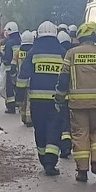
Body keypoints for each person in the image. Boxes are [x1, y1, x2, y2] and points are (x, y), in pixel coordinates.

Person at [55, 22, 96, 183]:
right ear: (95, 36)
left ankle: (82, 171)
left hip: (77, 105)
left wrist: (59, 98)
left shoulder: (71, 54)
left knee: (80, 135)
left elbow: (63, 79)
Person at [19, 22, 66, 176]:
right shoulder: (62, 52)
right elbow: (67, 77)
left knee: (40, 130)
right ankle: (50, 163)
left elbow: (23, 75)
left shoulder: (33, 52)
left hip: (37, 101)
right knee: (54, 129)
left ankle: (43, 157)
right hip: (56, 101)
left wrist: (19, 98)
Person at [55, 29, 75, 157]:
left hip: (61, 93)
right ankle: (68, 146)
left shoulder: (58, 53)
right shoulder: (72, 53)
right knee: (69, 121)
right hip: (72, 94)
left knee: (60, 122)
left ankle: (63, 147)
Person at [1, 22, 22, 114]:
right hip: (19, 68)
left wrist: (2, 57)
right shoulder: (20, 41)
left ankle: (11, 107)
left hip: (10, 68)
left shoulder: (9, 43)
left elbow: (7, 57)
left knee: (9, 88)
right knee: (17, 87)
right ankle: (19, 105)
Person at [15, 30, 35, 127]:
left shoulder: (18, 51)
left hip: (20, 78)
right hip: (31, 79)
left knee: (23, 99)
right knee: (29, 100)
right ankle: (29, 118)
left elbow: (13, 65)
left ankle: (23, 117)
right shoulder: (33, 51)